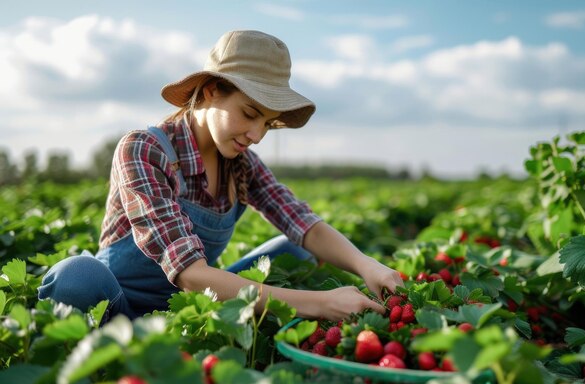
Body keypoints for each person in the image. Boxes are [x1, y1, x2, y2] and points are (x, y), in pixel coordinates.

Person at [38, 30, 403, 323]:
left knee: (296, 250)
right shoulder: (145, 149)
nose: (257, 134)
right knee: (76, 277)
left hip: (196, 310)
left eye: (267, 122)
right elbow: (191, 275)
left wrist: (367, 265)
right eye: (249, 113)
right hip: (118, 308)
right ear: (212, 91)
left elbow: (301, 222)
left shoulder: (242, 165)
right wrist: (317, 303)